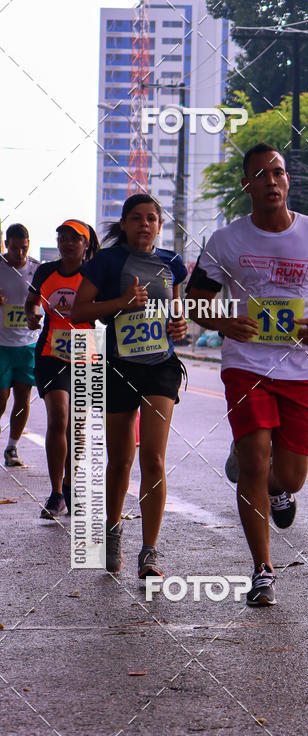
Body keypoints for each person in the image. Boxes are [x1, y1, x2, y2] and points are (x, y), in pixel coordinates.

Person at [186, 142, 308, 607]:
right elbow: (196, 301)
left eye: (278, 172)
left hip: (305, 370)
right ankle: (262, 570)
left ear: (288, 180)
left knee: (290, 475)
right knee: (253, 462)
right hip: (247, 365)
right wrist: (224, 323)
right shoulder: (226, 241)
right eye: (261, 174)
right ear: (246, 184)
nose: (271, 181)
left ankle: (279, 490)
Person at [72, 193, 187, 579]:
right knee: (120, 460)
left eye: (151, 218)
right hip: (119, 366)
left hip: (160, 368)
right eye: (136, 218)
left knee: (153, 458)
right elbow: (79, 311)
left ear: (160, 225)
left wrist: (179, 325)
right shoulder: (106, 261)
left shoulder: (172, 263)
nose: (144, 224)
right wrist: (122, 302)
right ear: (124, 224)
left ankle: (149, 552)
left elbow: (175, 311)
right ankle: (113, 529)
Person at [25, 220, 99, 518]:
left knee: (76, 426)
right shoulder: (45, 272)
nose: (67, 243)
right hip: (50, 352)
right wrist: (32, 316)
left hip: (84, 351)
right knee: (58, 417)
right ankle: (56, 493)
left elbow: (105, 311)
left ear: (85, 244)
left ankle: (70, 485)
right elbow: (31, 303)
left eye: (74, 238)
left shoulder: (94, 274)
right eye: (62, 238)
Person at [0, 224, 39, 467]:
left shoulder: (36, 269)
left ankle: (12, 447)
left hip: (27, 344)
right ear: (6, 245)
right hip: (1, 344)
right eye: (15, 248)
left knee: (23, 397)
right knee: (1, 397)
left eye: (24, 248)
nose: (20, 253)